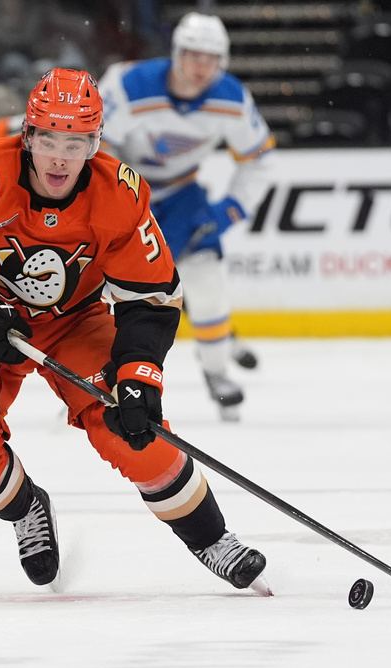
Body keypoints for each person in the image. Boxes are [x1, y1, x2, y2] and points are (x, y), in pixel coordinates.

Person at [0, 67, 267, 592]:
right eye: (49, 139)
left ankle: (213, 540)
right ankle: (27, 508)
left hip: (74, 321)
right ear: (27, 135)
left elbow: (152, 296)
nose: (59, 157)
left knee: (135, 434)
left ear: (95, 144)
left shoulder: (119, 194)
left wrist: (139, 371)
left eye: (75, 143)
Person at [98, 11, 275, 421]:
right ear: (177, 53)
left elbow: (259, 160)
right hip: (126, 189)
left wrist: (230, 209)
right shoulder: (129, 84)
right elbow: (96, 145)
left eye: (211, 58)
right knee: (107, 290)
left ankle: (217, 372)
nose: (201, 67)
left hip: (181, 193)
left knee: (205, 278)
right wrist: (114, 195)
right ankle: (98, 373)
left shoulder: (231, 99)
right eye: (194, 55)